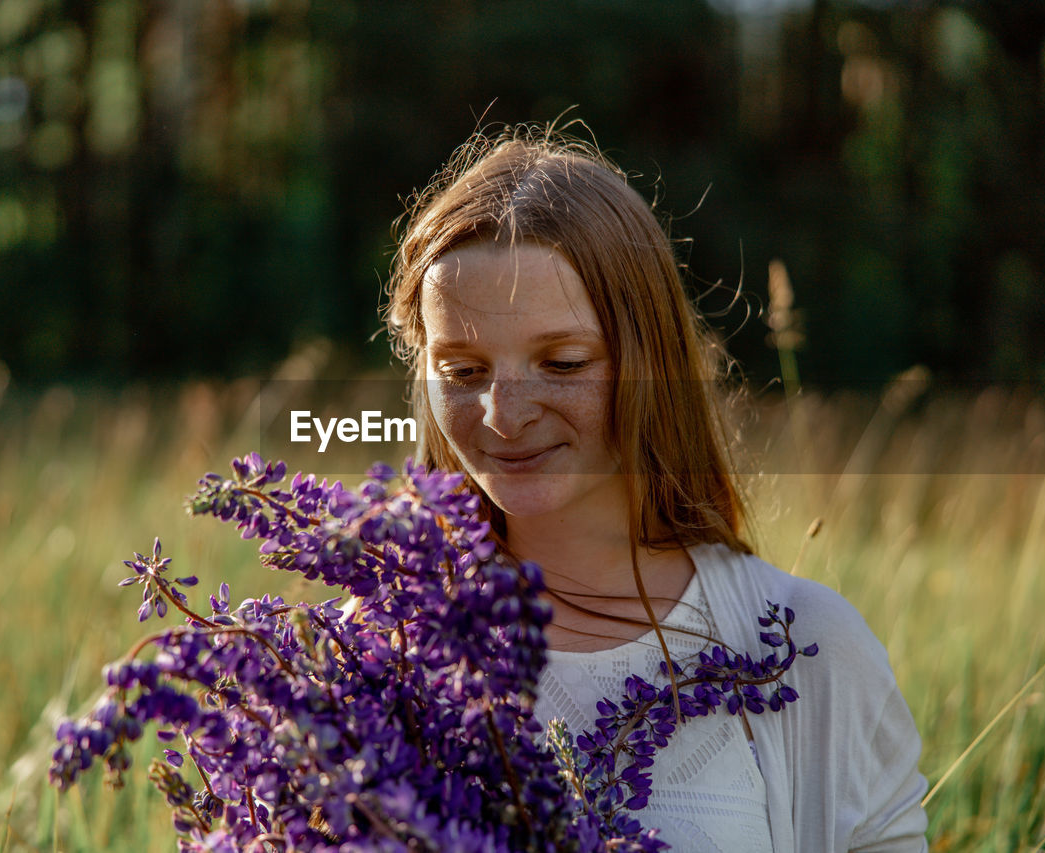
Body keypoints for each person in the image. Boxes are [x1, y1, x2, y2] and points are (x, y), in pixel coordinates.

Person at [381, 124, 929, 852]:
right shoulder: (379, 647)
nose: (504, 416)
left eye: (564, 363)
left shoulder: (808, 648)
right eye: (463, 370)